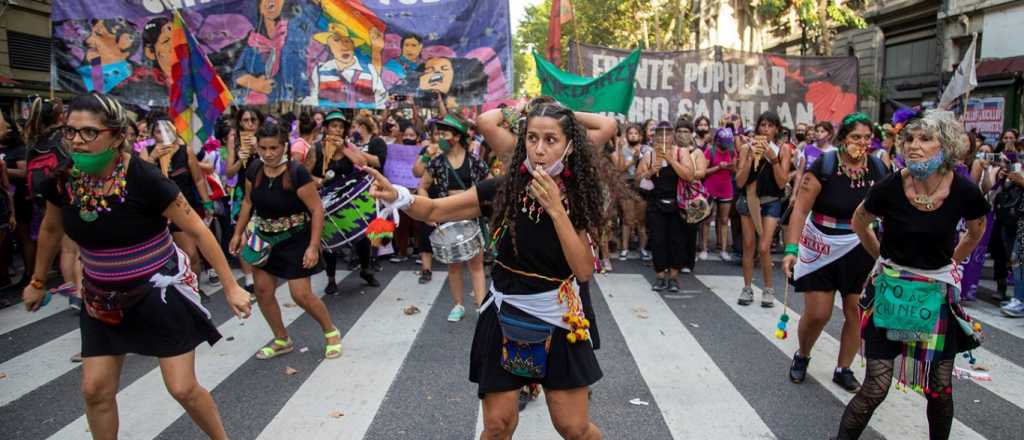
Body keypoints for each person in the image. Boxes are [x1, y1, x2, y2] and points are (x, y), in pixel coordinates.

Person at [367, 103, 607, 440]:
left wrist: (556, 209)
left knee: (574, 428)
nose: (539, 149)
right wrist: (400, 196)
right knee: (497, 427)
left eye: (551, 140)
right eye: (533, 138)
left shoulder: (577, 197)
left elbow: (582, 270)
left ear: (569, 146)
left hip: (559, 316)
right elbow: (435, 208)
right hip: (506, 313)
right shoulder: (504, 188)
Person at [22, 92, 251, 439]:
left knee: (182, 388)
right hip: (101, 298)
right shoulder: (62, 180)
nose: (77, 141)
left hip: (158, 293)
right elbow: (52, 229)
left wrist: (231, 286)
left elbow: (197, 230)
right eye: (70, 132)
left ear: (115, 137)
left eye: (89, 133)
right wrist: (38, 280)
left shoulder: (146, 179)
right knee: (95, 390)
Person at [836, 109, 987, 439]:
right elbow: (859, 222)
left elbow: (976, 232)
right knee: (875, 387)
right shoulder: (890, 185)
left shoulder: (964, 190)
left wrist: (953, 263)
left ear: (945, 146)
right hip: (891, 291)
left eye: (926, 139)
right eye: (909, 139)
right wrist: (884, 259)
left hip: (936, 293)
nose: (913, 146)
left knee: (940, 388)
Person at [782, 113, 889, 393]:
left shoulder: (878, 168)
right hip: (821, 245)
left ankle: (844, 368)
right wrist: (791, 249)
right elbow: (801, 210)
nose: (862, 143)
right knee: (818, 313)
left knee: (856, 312)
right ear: (842, 140)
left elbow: (888, 209)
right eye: (856, 137)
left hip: (860, 247)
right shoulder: (824, 166)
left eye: (867, 138)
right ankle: (803, 354)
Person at [229, 122, 341, 360]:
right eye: (263, 148)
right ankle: (281, 338)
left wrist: (313, 246)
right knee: (262, 290)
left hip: (296, 238)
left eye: (274, 148)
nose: (268, 154)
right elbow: (248, 202)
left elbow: (316, 209)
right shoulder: (254, 169)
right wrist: (238, 233)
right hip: (264, 238)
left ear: (284, 147)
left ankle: (331, 331)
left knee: (300, 295)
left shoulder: (296, 172)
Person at [420, 114, 489, 321]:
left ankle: (481, 305)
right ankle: (458, 305)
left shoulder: (475, 161)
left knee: (476, 264)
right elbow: (422, 186)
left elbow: (491, 184)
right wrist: (427, 212)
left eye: (444, 133)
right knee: (454, 265)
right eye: (439, 133)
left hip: (471, 215)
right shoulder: (436, 162)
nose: (440, 137)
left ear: (457, 137)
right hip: (447, 216)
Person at [140, 113, 214, 301]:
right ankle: (162, 292)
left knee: (191, 254)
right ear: (152, 133)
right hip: (156, 213)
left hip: (183, 210)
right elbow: (139, 180)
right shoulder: (146, 152)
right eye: (158, 131)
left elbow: (198, 179)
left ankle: (193, 287)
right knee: (158, 259)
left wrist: (207, 203)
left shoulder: (185, 150)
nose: (163, 134)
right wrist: (153, 158)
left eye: (168, 130)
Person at [311, 110, 380, 293]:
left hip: (349, 197)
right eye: (333, 126)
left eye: (341, 127)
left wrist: (343, 149)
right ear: (326, 128)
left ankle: (366, 269)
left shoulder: (349, 146)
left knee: (362, 236)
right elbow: (304, 174)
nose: (337, 130)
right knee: (329, 242)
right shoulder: (316, 148)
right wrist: (318, 181)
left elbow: (362, 163)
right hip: (326, 200)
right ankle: (331, 279)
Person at [736, 111, 791, 307]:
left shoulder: (783, 149)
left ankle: (768, 289)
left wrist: (773, 158)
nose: (765, 129)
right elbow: (740, 181)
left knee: (764, 247)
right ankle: (747, 287)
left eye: (770, 126)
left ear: (777, 129)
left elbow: (783, 181)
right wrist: (751, 158)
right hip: (748, 200)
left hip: (770, 201)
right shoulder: (745, 149)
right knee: (749, 246)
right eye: (762, 125)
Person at [637, 121, 695, 292]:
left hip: (678, 203)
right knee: (658, 240)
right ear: (655, 137)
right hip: (656, 204)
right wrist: (649, 172)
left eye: (667, 134)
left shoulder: (681, 152)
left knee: (677, 240)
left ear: (673, 136)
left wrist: (671, 160)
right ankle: (660, 275)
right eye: (660, 134)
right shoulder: (649, 155)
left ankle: (674, 277)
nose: (664, 138)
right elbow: (637, 180)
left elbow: (689, 176)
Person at [700, 128, 737, 261]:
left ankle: (723, 249)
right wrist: (718, 167)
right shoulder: (710, 151)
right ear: (717, 140)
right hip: (710, 188)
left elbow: (736, 169)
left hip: (726, 188)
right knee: (706, 219)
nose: (726, 146)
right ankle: (704, 248)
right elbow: (704, 171)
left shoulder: (732, 151)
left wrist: (730, 166)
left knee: (724, 220)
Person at [617, 124, 650, 262]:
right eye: (630, 133)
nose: (633, 136)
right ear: (626, 136)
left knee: (641, 221)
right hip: (627, 186)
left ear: (641, 136)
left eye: (636, 134)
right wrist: (633, 160)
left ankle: (642, 248)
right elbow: (620, 168)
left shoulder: (648, 150)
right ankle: (624, 248)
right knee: (627, 219)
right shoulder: (623, 150)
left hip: (642, 187)